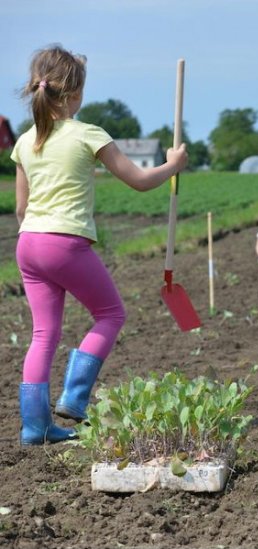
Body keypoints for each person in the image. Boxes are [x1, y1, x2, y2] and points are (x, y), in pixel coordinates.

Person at [11, 46, 188, 445]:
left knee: (43, 335)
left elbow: (21, 207)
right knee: (110, 315)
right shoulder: (88, 134)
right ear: (75, 94)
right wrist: (173, 165)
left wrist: (39, 240)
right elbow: (140, 181)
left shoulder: (24, 141)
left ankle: (34, 427)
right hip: (64, 242)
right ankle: (74, 399)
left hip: (28, 244)